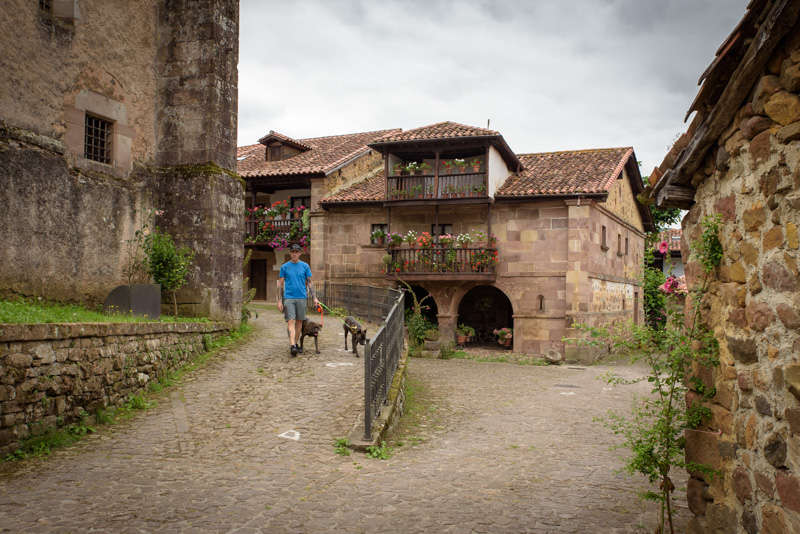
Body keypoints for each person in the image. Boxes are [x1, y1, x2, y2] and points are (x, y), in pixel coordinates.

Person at [277, 244, 318, 356]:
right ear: (290, 253)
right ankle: (293, 346)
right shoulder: (284, 267)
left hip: (302, 297)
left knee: (299, 321)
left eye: (296, 252)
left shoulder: (305, 266)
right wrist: (279, 300)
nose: (294, 254)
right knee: (291, 321)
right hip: (289, 298)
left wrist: (314, 298)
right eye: (292, 252)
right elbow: (280, 285)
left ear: (300, 253)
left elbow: (309, 282)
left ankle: (295, 343)